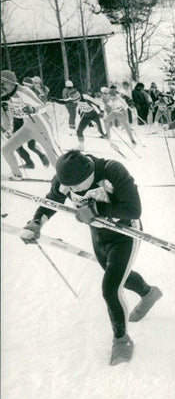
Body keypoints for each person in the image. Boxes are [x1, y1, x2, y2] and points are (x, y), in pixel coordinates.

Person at [17, 150, 162, 366]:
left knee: (110, 288)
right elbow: (52, 200)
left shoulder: (112, 171)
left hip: (124, 234)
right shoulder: (65, 179)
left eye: (77, 186)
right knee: (116, 274)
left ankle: (121, 340)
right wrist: (36, 221)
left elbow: (134, 209)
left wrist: (96, 208)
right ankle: (148, 293)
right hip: (98, 234)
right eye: (70, 188)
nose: (73, 191)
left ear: (90, 174)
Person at [1, 70, 59, 178]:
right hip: (28, 127)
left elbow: (43, 107)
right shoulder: (10, 95)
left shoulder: (23, 91)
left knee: (53, 157)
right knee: (6, 150)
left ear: (10, 82)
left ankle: (68, 178)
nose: (1, 87)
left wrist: (32, 109)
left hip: (41, 126)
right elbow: (18, 114)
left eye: (2, 83)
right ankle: (16, 175)